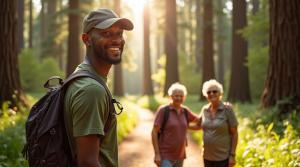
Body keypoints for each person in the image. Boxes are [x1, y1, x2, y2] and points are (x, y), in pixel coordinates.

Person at [63, 8, 133, 167]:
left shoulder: (83, 75)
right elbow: (87, 163)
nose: (116, 40)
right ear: (86, 39)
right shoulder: (91, 90)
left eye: (119, 34)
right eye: (107, 33)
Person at [151, 83, 200, 167]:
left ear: (184, 97)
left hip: (180, 156)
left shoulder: (185, 111)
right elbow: (154, 132)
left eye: (181, 96)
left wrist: (209, 110)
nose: (179, 98)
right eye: (176, 96)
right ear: (170, 97)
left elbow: (199, 120)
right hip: (165, 155)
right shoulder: (163, 110)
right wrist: (157, 154)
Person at [199, 79, 238, 167]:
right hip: (207, 156)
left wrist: (232, 155)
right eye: (209, 92)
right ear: (206, 95)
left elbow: (234, 134)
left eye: (214, 91)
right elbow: (197, 124)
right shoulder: (204, 109)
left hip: (223, 158)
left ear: (220, 93)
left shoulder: (228, 109)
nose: (211, 94)